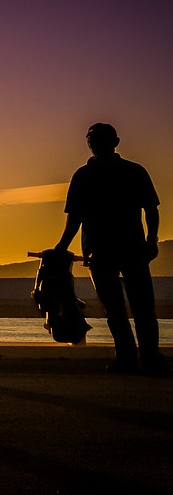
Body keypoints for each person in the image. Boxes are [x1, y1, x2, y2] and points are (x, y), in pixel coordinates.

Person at [55, 122, 165, 375]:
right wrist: (61, 246)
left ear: (114, 143)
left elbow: (151, 209)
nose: (95, 145)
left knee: (140, 308)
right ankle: (131, 358)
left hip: (129, 249)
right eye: (92, 141)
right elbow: (75, 217)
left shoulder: (132, 172)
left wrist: (152, 240)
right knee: (118, 309)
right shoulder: (84, 175)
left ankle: (147, 359)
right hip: (102, 252)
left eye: (100, 141)